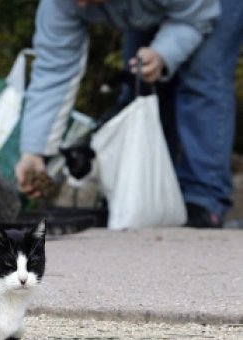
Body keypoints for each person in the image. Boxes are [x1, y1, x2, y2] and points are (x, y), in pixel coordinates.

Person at [15, 0, 243, 228]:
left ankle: (203, 200)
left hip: (206, 6)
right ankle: (148, 194)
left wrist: (164, 52)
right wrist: (33, 152)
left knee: (202, 76)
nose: (82, 4)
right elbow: (53, 70)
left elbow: (197, 16)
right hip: (149, 8)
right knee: (138, 82)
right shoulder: (59, 4)